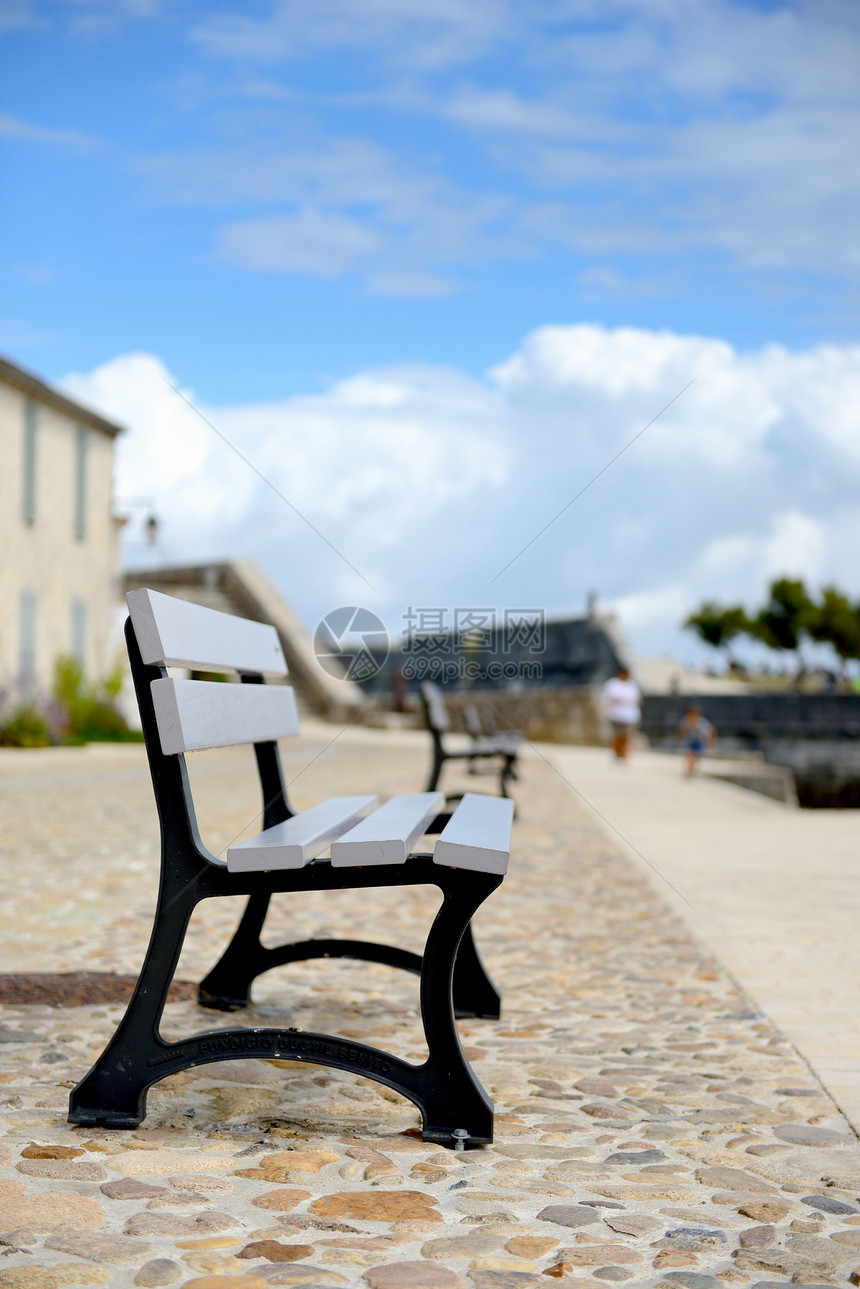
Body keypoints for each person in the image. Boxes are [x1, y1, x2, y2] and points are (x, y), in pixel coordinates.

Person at [602, 666, 641, 761]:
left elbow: (637, 699)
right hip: (616, 715)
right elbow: (606, 698)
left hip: (630, 716)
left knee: (627, 737)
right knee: (617, 736)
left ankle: (624, 755)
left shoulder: (632, 685)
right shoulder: (612, 684)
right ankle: (616, 754)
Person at [676, 705, 716, 777]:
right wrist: (679, 738)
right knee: (690, 755)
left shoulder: (702, 723)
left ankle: (692, 770)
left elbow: (712, 731)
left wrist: (710, 743)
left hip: (699, 741)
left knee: (695, 756)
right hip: (690, 740)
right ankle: (690, 770)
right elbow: (680, 730)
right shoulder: (685, 721)